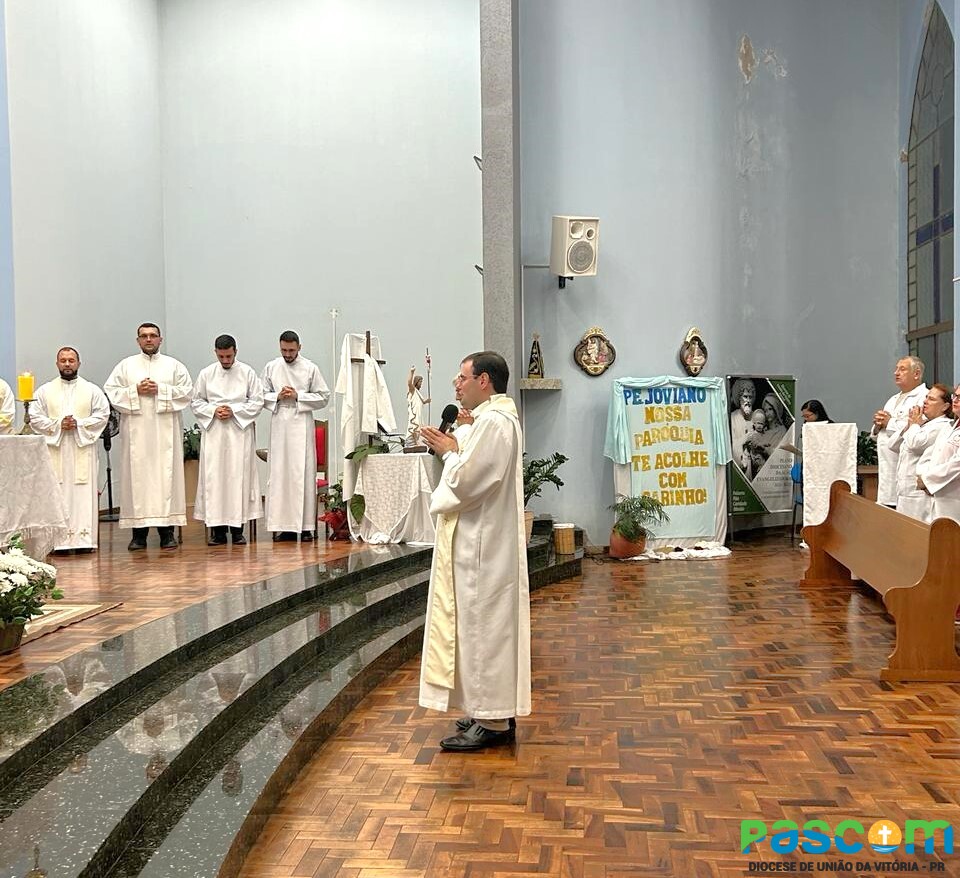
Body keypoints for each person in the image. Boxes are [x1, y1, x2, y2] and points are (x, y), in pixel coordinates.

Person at [418, 351, 529, 751]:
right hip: (478, 543)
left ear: (484, 381)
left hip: (485, 548)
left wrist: (450, 449)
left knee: (486, 630)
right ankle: (487, 708)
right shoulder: (487, 421)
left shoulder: (496, 423)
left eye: (462, 377)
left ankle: (494, 721)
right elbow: (471, 459)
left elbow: (468, 480)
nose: (456, 384)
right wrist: (458, 438)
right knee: (476, 629)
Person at [104, 323, 193, 550]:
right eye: (144, 336)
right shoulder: (126, 366)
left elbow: (186, 393)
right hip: (137, 435)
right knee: (138, 480)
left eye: (153, 336)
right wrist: (135, 391)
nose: (149, 339)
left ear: (160, 339)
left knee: (166, 478)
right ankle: (139, 535)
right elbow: (112, 393)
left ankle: (167, 533)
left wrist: (160, 390)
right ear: (138, 341)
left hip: (165, 435)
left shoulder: (174, 366)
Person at [31, 347, 110, 551]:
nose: (67, 364)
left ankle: (84, 541)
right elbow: (34, 417)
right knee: (56, 493)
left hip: (81, 447)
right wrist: (58, 425)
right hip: (55, 450)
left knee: (83, 494)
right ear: (57, 363)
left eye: (71, 360)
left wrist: (79, 424)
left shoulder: (92, 390)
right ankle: (58, 542)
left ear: (79, 363)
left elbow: (103, 415)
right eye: (63, 360)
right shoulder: (44, 391)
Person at [192, 335, 263, 546]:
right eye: (221, 356)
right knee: (215, 479)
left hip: (239, 432)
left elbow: (257, 401)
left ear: (236, 352)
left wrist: (235, 410)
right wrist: (214, 410)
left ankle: (237, 529)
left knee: (237, 478)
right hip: (215, 433)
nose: (225, 360)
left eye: (229, 356)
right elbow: (196, 402)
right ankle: (217, 531)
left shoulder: (247, 372)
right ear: (215, 352)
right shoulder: (206, 374)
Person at [262, 330, 330, 542]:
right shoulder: (272, 367)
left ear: (299, 347)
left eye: (291, 350)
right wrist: (277, 396)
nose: (287, 354)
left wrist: (298, 395)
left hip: (301, 424)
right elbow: (259, 395)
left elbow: (323, 397)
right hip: (280, 425)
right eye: (284, 350)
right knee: (280, 475)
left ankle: (306, 526)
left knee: (302, 475)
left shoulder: (310, 368)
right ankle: (282, 527)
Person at [872, 356, 927, 507]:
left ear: (916, 374)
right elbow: (882, 434)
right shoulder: (893, 398)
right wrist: (877, 425)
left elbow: (916, 429)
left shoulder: (923, 398)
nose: (896, 373)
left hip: (906, 468)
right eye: (896, 369)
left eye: (902, 369)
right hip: (886, 469)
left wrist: (888, 422)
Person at [894, 383, 952, 522]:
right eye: (926, 397)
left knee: (917, 534)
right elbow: (893, 445)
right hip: (904, 490)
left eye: (931, 399)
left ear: (945, 406)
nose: (925, 401)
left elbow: (915, 444)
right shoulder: (922, 423)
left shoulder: (943, 425)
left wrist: (914, 425)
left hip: (919, 494)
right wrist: (910, 424)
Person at [916, 384, 960, 524]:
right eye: (955, 395)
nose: (955, 400)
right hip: (936, 495)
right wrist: (922, 475)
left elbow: (957, 464)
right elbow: (930, 454)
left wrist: (929, 480)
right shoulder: (949, 427)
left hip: (953, 496)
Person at [729, 378, 757, 470]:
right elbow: (731, 445)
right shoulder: (733, 418)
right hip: (740, 465)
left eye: (750, 397)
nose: (748, 401)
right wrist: (744, 439)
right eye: (745, 396)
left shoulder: (757, 417)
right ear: (739, 397)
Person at [406, 366, 431, 444]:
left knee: (419, 427)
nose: (421, 384)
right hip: (415, 413)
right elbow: (409, 383)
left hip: (419, 413)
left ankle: (417, 441)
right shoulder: (413, 390)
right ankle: (415, 442)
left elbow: (422, 401)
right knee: (414, 425)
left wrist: (427, 401)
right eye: (420, 382)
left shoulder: (418, 393)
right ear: (416, 382)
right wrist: (412, 372)